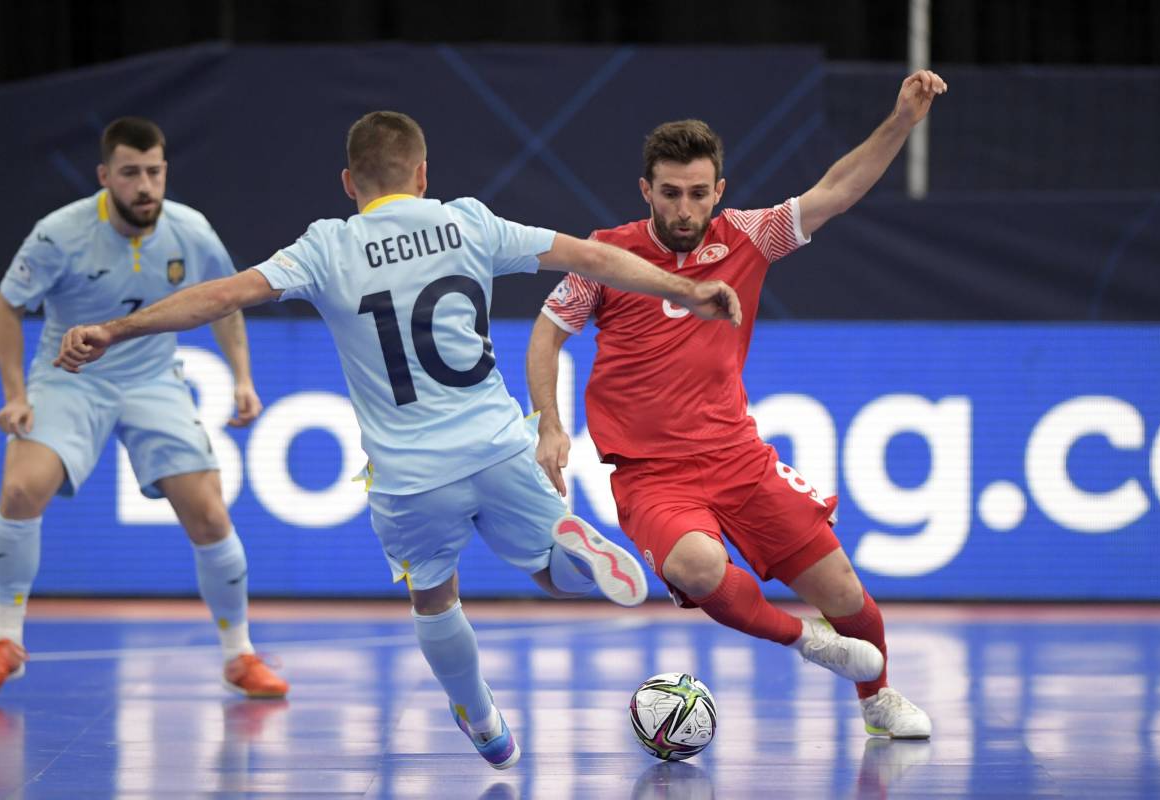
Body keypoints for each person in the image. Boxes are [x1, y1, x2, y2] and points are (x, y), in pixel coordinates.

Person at [54, 111, 744, 769]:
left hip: (411, 477)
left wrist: (116, 330)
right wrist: (680, 291)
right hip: (498, 446)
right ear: (421, 175)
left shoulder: (327, 246)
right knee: (544, 572)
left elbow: (223, 295)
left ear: (351, 183)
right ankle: (567, 552)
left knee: (434, 597)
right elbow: (590, 258)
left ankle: (483, 721)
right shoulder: (467, 221)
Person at [527, 71, 949, 739]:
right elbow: (548, 333)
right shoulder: (606, 254)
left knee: (843, 592)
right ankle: (805, 642)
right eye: (670, 194)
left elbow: (836, 191)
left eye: (698, 194)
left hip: (739, 460)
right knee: (697, 565)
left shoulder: (749, 236)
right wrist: (550, 424)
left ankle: (878, 700)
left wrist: (900, 120)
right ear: (647, 191)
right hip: (652, 474)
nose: (685, 210)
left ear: (718, 191)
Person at [0, 118, 287, 699]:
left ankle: (240, 654)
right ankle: (6, 639)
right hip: (70, 380)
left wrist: (243, 379)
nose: (145, 185)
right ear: (106, 177)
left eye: (154, 172)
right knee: (20, 491)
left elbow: (225, 303)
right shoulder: (60, 234)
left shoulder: (191, 231)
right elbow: (8, 304)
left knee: (208, 513)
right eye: (131, 173)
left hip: (153, 378)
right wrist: (17, 395)